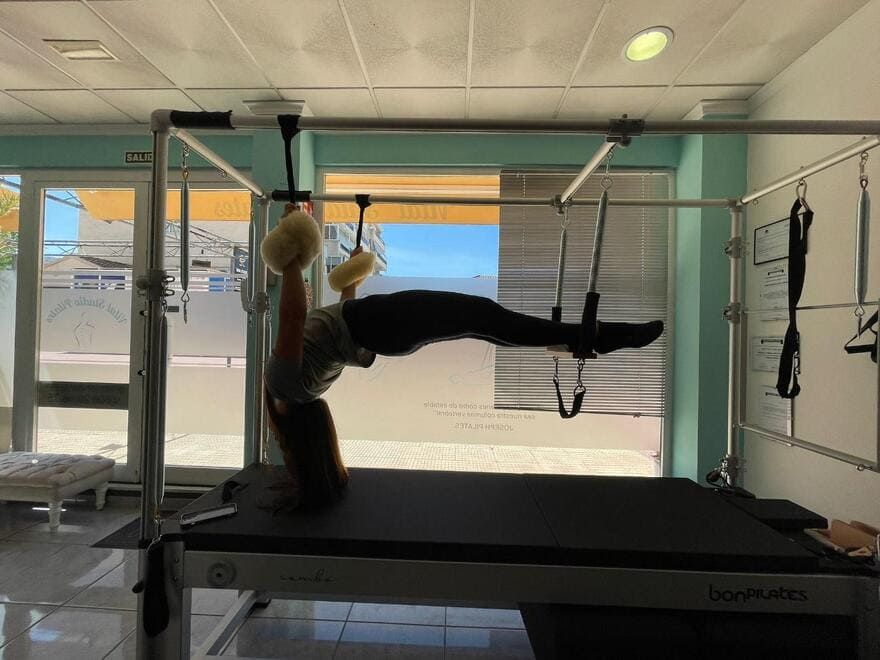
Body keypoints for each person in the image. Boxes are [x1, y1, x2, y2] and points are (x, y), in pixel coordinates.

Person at [263, 206, 663, 510]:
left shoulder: (303, 391)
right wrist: (293, 251)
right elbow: (294, 315)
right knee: (485, 316)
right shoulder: (285, 386)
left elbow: (326, 322)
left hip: (382, 331)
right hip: (379, 325)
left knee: (487, 322)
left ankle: (591, 337)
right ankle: (591, 336)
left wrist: (350, 279)